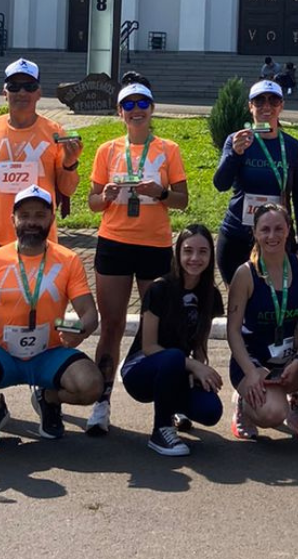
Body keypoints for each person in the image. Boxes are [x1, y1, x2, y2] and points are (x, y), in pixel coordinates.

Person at [0, 185, 102, 449]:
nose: (32, 222)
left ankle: (50, 399)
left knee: (90, 385)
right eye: (25, 215)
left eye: (40, 215)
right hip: (3, 354)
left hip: (50, 353)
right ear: (13, 219)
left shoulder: (68, 260)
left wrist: (80, 328)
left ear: (51, 219)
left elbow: (90, 314)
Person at [85, 75, 189, 436]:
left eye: (142, 103)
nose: (136, 110)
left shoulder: (168, 149)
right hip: (114, 242)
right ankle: (102, 400)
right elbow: (93, 202)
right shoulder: (106, 150)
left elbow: (182, 200)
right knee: (111, 324)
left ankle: (171, 402)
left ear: (152, 109)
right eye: (128, 105)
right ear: (119, 113)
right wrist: (108, 196)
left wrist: (160, 193)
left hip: (154, 245)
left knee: (160, 325)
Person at [226, 204, 298, 443]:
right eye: (265, 229)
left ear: (288, 230)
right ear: (255, 233)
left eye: (279, 228)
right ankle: (244, 405)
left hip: (290, 362)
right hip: (255, 364)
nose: (272, 236)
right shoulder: (245, 274)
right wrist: (251, 371)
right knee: (272, 413)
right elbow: (233, 331)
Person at [0, 57, 83, 253]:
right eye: (14, 86)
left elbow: (68, 189)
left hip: (39, 238)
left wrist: (69, 163)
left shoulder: (55, 132)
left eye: (29, 86)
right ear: (4, 93)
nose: (22, 92)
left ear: (39, 93)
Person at [119, 225, 225, 456]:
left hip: (177, 368)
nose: (195, 258)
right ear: (178, 254)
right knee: (174, 356)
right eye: (188, 251)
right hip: (141, 370)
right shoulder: (159, 289)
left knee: (211, 411)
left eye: (203, 252)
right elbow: (149, 347)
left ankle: (174, 407)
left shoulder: (211, 294)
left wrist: (199, 371)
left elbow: (199, 343)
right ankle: (161, 430)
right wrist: (193, 365)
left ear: (210, 256)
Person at [213, 80, 298, 286]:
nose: (266, 106)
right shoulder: (237, 140)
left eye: (273, 100)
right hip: (238, 235)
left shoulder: (293, 147)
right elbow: (220, 184)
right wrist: (234, 154)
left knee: (273, 300)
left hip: (277, 237)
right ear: (250, 106)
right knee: (238, 304)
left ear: (281, 106)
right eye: (259, 101)